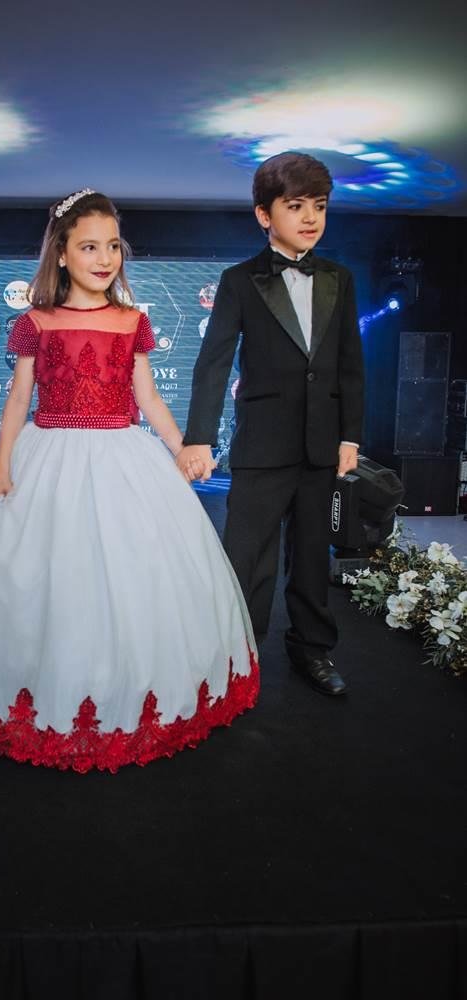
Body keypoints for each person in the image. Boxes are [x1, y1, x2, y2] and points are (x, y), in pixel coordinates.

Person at [0, 189, 259, 772]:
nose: (104, 258)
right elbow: (18, 399)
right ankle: (45, 693)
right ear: (61, 253)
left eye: (112, 246)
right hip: (48, 455)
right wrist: (2, 469)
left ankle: (129, 694)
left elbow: (147, 397)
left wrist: (181, 447)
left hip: (122, 454)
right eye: (88, 247)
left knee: (133, 573)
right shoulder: (36, 321)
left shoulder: (132, 320)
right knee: (47, 577)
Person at [177, 153, 364, 696]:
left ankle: (312, 650)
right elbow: (213, 362)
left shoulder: (339, 278)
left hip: (321, 446)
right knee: (248, 556)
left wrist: (350, 435)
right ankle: (239, 653)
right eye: (295, 206)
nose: (310, 218)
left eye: (319, 206)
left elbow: (350, 364)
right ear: (265, 215)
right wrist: (199, 438)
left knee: (311, 556)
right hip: (261, 445)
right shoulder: (239, 281)